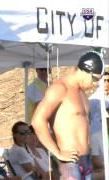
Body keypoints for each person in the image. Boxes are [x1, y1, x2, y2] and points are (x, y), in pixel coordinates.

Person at [31, 51, 105, 179]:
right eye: (95, 79)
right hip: (69, 163)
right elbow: (37, 121)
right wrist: (57, 153)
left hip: (86, 160)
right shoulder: (60, 88)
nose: (95, 84)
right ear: (84, 71)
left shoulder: (81, 92)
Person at [89, 66, 109, 135]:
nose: (106, 83)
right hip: (98, 133)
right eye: (104, 80)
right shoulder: (94, 99)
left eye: (108, 80)